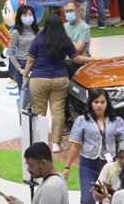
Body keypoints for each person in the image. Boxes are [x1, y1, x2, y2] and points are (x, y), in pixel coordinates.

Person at [21, 14, 95, 153]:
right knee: (58, 111)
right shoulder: (65, 39)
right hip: (60, 78)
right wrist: (95, 59)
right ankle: (56, 143)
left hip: (39, 79)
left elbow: (30, 61)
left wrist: (25, 76)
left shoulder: (39, 39)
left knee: (39, 111)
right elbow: (77, 58)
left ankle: (40, 143)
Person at [63, 89, 124, 204]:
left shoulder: (116, 120)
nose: (99, 105)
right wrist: (67, 167)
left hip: (110, 166)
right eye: (96, 102)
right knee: (87, 201)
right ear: (91, 103)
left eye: (102, 102)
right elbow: (76, 145)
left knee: (111, 197)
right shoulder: (82, 120)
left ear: (107, 103)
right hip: (88, 165)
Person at [7, 5, 38, 96]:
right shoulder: (16, 33)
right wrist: (20, 69)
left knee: (37, 95)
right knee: (24, 96)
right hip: (23, 65)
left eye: (30, 15)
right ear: (19, 17)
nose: (28, 17)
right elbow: (11, 53)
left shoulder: (38, 31)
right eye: (25, 15)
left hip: (37, 65)